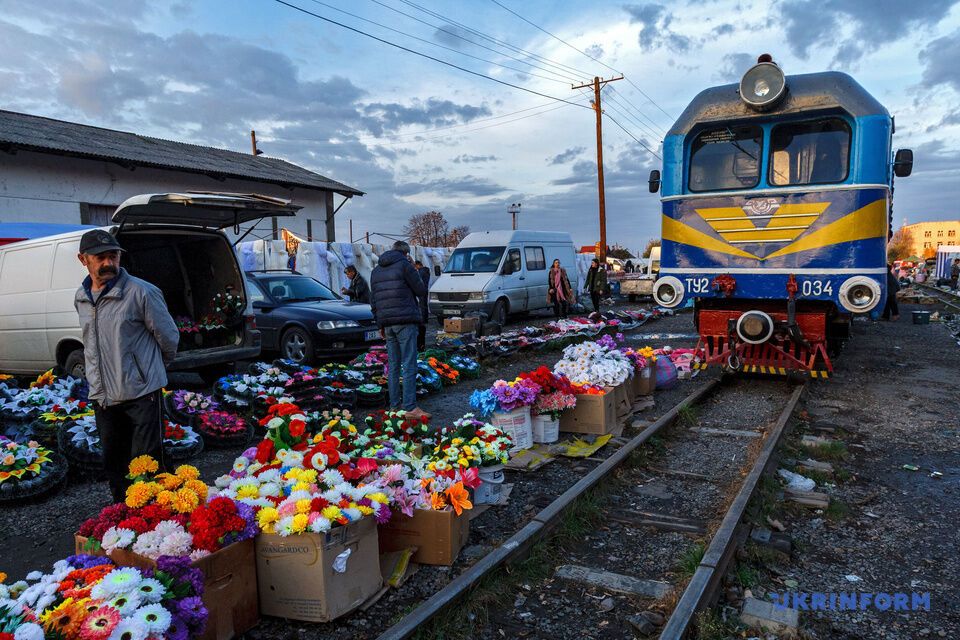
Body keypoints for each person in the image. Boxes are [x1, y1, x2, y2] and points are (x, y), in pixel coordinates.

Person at [73, 229, 179, 503]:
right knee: (114, 461)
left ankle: (156, 515)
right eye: (100, 257)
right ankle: (123, 512)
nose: (108, 263)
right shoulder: (81, 297)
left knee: (147, 461)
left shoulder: (141, 292)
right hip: (103, 395)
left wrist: (150, 369)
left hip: (141, 392)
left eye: (114, 256)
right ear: (83, 259)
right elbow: (90, 343)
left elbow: (168, 337)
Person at [370, 241, 430, 418]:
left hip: (387, 323)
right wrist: (414, 269)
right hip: (405, 320)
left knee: (394, 365)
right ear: (406, 254)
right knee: (409, 363)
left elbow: (373, 301)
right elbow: (420, 290)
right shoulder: (405, 265)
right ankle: (410, 407)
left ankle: (394, 407)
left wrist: (380, 323)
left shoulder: (376, 270)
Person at [414, 260, 431, 351]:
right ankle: (426, 318)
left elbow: (418, 280)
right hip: (425, 289)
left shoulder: (421, 272)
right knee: (424, 305)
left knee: (422, 306)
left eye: (415, 266)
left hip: (421, 290)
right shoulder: (426, 271)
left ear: (418, 265)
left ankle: (423, 319)